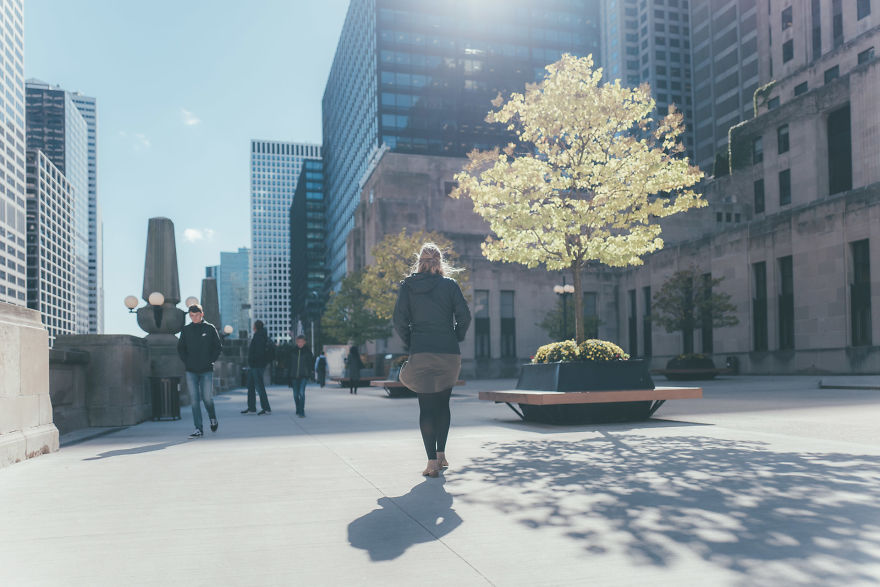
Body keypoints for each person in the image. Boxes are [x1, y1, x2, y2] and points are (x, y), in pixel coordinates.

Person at [392, 243, 471, 477]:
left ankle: (430, 464)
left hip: (421, 351)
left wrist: (411, 341)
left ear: (420, 261)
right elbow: (464, 316)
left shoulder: (408, 287)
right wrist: (455, 336)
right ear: (439, 262)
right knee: (443, 404)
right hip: (448, 352)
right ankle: (442, 454)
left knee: (426, 407)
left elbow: (398, 320)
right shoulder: (450, 285)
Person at [177, 304, 223, 438]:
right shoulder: (186, 330)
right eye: (191, 315)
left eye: (196, 315)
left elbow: (217, 347)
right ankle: (198, 428)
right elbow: (181, 348)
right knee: (194, 400)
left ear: (202, 314)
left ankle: (213, 418)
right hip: (191, 370)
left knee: (207, 398)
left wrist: (211, 360)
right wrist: (187, 361)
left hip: (206, 369)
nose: (194, 318)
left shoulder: (209, 328)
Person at [243, 320, 273, 415]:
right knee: (250, 386)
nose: (252, 326)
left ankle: (266, 408)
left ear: (256, 326)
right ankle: (251, 407)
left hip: (257, 365)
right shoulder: (259, 335)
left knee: (259, 387)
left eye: (253, 325)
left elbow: (259, 353)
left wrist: (253, 361)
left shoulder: (259, 336)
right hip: (255, 365)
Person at [289, 335, 314, 417]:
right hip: (294, 376)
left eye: (301, 342)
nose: (300, 343)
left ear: (304, 342)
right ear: (296, 342)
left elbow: (311, 363)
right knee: (295, 394)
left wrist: (309, 373)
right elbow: (289, 364)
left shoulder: (308, 352)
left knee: (301, 393)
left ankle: (301, 411)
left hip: (304, 376)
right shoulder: (292, 351)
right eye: (298, 342)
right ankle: (298, 408)